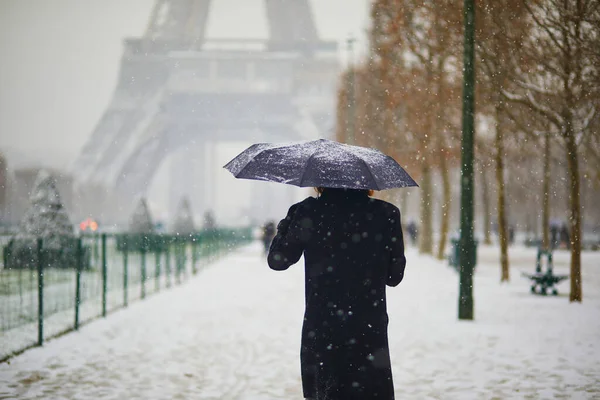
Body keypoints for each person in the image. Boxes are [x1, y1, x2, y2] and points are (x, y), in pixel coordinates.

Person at [268, 187, 406, 400]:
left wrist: (287, 223)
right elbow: (394, 277)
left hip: (324, 326)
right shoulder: (386, 213)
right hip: (368, 328)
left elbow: (278, 260)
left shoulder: (308, 211)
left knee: (328, 391)